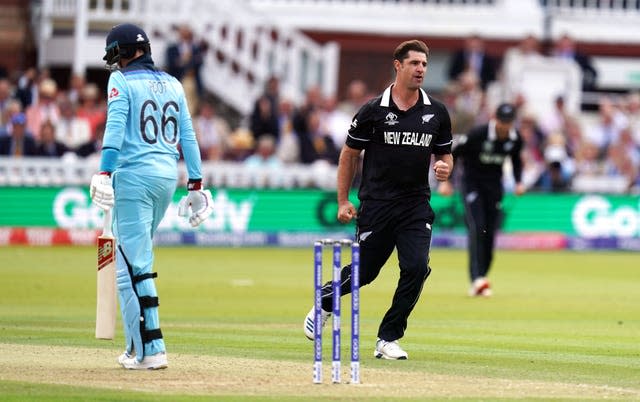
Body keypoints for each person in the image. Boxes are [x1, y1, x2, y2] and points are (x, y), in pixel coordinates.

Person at [303, 40, 453, 360]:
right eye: (415, 63)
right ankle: (326, 300)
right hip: (377, 204)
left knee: (416, 267)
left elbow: (445, 155)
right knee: (365, 273)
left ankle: (388, 337)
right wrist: (343, 200)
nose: (421, 70)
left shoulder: (436, 111)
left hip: (415, 205)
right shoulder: (373, 110)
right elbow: (349, 155)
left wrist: (444, 168)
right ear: (398, 66)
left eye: (424, 64)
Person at [89, 23, 214, 370]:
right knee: (139, 261)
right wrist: (195, 182)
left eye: (115, 52)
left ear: (127, 51)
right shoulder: (173, 83)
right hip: (165, 179)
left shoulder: (121, 81)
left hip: (132, 177)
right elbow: (188, 135)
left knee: (131, 268)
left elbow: (114, 129)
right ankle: (142, 346)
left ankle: (148, 349)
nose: (113, 60)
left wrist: (103, 171)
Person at [438, 103, 525, 297]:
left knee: (490, 233)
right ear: (496, 119)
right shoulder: (478, 134)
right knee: (477, 227)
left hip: (494, 189)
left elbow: (516, 160)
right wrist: (447, 181)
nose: (505, 126)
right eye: (502, 122)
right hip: (472, 185)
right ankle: (476, 278)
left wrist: (519, 182)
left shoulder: (515, 138)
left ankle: (482, 277)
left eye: (509, 122)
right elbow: (455, 154)